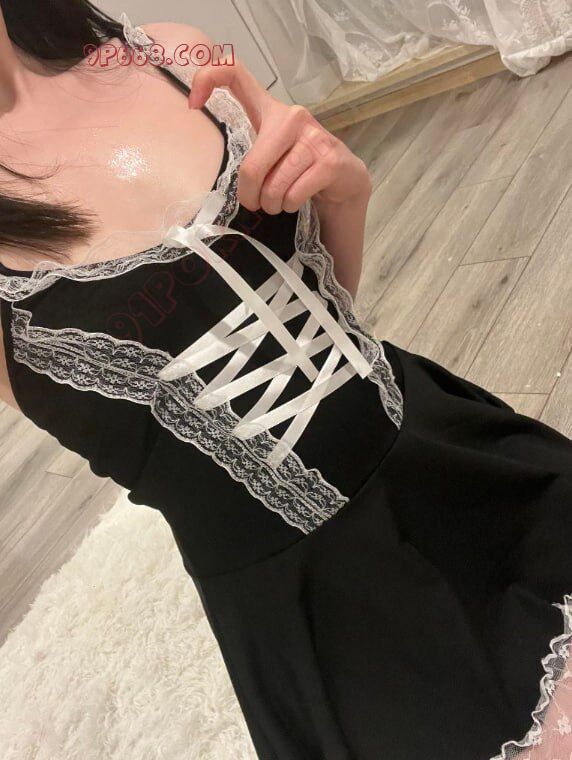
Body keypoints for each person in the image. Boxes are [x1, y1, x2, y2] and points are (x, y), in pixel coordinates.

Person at [0, 3, 570, 759]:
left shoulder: (172, 55)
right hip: (320, 615)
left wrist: (346, 191)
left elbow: (331, 315)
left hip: (444, 445)